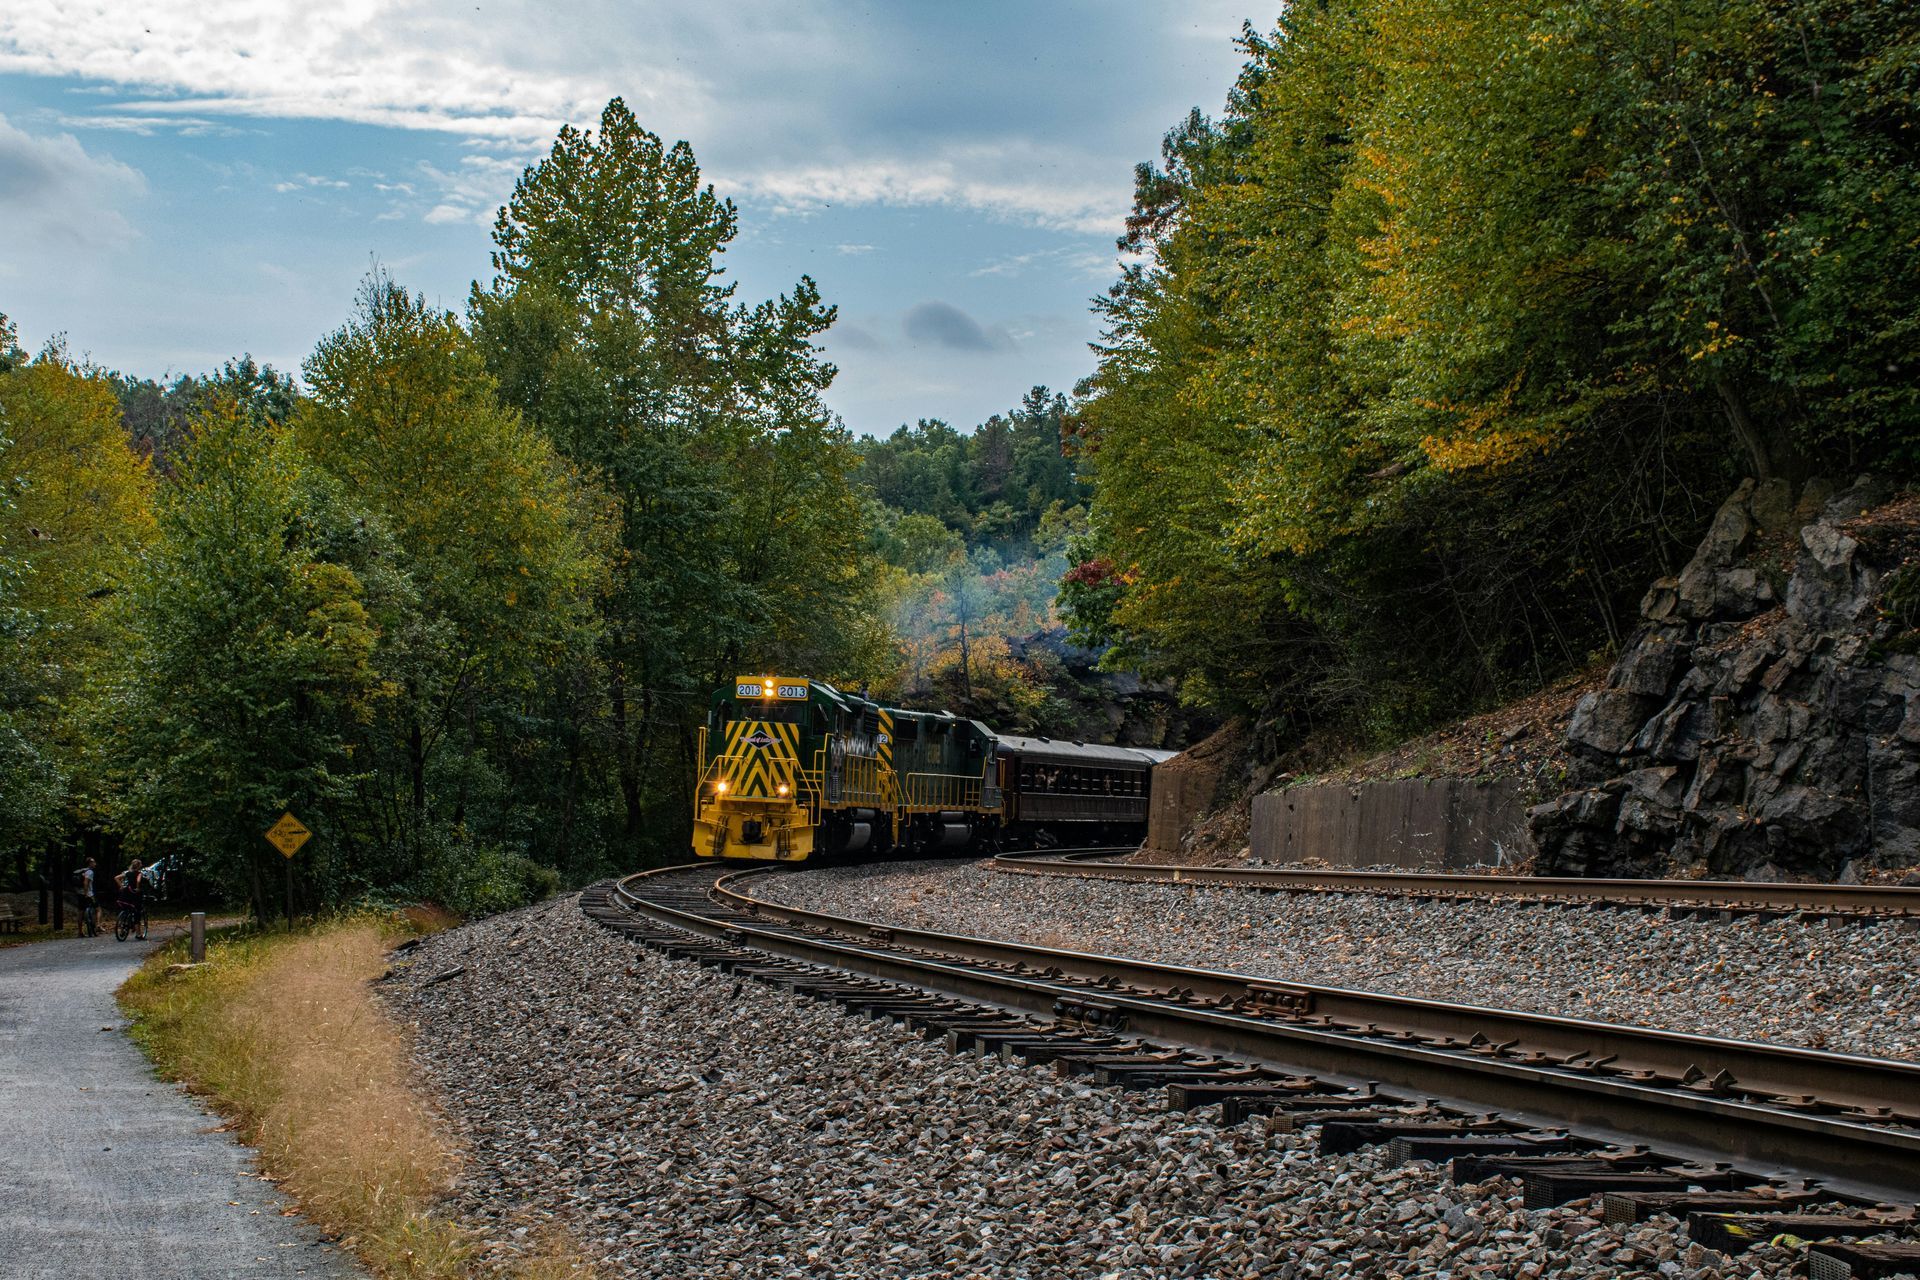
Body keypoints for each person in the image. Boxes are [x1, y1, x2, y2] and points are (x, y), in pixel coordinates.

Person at [115, 858, 147, 941]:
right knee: (137, 914)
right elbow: (138, 880)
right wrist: (137, 887)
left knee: (126, 910)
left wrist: (121, 886)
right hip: (135, 894)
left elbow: (116, 878)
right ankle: (138, 934)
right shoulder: (139, 873)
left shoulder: (128, 873)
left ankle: (122, 929)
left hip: (126, 893)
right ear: (139, 866)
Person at [77, 858, 98, 937]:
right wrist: (86, 894)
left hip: (79, 893)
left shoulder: (83, 871)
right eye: (94, 862)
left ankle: (80, 932)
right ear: (90, 863)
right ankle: (94, 927)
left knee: (80, 912)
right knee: (97, 909)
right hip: (88, 894)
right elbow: (85, 883)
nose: (95, 863)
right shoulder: (90, 872)